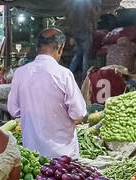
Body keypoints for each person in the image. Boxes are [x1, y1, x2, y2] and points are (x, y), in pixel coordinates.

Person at [6, 29, 87, 159]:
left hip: (33, 154)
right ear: (60, 48)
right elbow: (78, 113)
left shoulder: (20, 73)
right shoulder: (63, 74)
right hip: (63, 156)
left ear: (37, 47)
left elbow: (13, 110)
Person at [67, 0, 97, 78]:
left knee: (78, 54)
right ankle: (85, 77)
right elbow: (93, 16)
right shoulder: (87, 3)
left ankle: (69, 73)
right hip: (85, 31)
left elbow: (68, 17)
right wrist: (94, 28)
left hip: (76, 32)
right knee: (86, 55)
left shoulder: (73, 5)